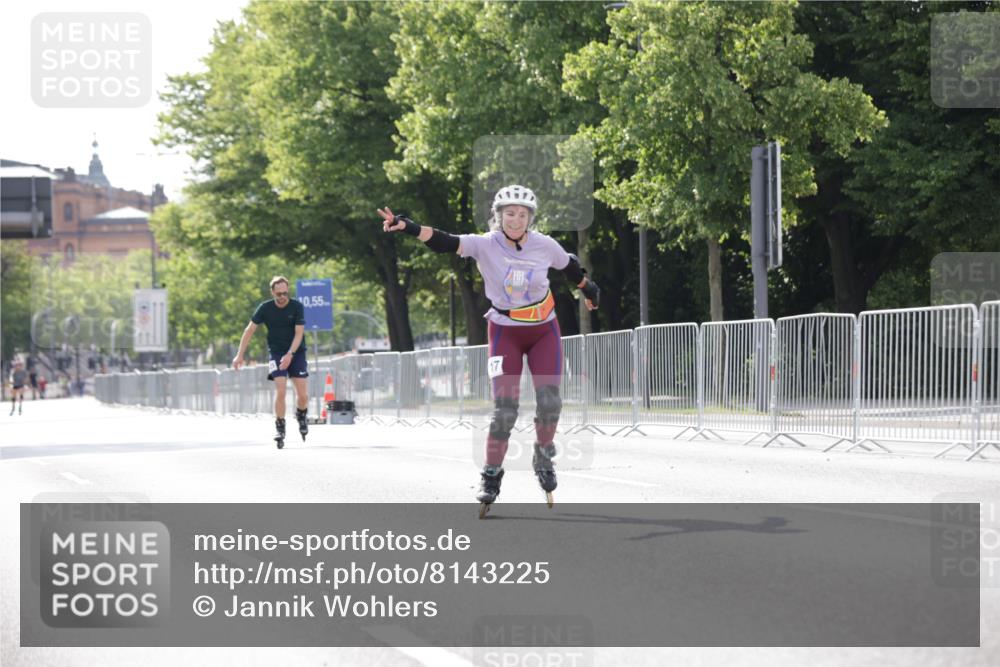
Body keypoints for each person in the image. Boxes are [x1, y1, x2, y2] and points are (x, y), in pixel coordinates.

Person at [378, 184, 600, 516]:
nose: (516, 219)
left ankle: (543, 453)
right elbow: (446, 241)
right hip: (505, 332)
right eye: (509, 214)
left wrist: (587, 287)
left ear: (530, 219)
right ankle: (491, 474)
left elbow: (567, 264)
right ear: (498, 217)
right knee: (505, 410)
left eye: (522, 215)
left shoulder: (543, 245)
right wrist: (409, 227)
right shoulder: (485, 244)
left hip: (543, 331)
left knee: (551, 401)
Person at [232, 276, 310, 448]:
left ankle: (301, 414)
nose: (282, 297)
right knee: (281, 390)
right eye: (278, 294)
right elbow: (249, 330)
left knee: (302, 396)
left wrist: (290, 353)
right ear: (272, 292)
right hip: (276, 353)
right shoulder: (265, 308)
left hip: (296, 352)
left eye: (285, 293)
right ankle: (280, 427)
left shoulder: (297, 306)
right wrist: (239, 355)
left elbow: (299, 334)